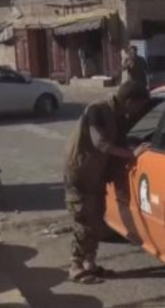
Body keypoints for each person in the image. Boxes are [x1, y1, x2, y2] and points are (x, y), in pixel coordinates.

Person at [64, 80, 150, 284]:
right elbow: (100, 143)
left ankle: (90, 264)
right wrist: (130, 154)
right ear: (129, 101)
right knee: (83, 220)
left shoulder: (118, 114)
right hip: (80, 174)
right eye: (138, 106)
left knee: (96, 219)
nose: (138, 110)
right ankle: (75, 266)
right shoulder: (97, 110)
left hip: (96, 174)